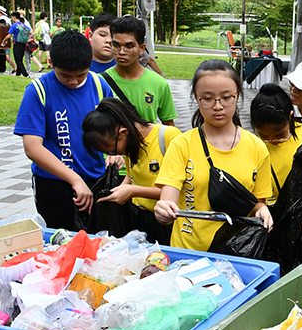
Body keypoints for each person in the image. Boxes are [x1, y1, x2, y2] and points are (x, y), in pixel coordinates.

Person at [154, 60, 273, 251]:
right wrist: (163, 211)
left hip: (235, 251)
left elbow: (258, 203)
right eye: (208, 99)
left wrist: (263, 210)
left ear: (238, 96)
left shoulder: (257, 147)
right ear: (196, 97)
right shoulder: (182, 144)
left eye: (226, 97)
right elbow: (168, 201)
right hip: (189, 253)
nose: (218, 106)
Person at [14, 29, 114, 231]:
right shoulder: (38, 90)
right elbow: (33, 148)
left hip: (97, 179)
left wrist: (115, 153)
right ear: (51, 62)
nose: (74, 81)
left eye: (81, 75)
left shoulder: (98, 83)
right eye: (66, 75)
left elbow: (114, 125)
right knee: (60, 244)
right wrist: (74, 179)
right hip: (54, 184)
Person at [81, 98, 180, 244]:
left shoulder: (168, 138)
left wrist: (132, 191)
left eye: (112, 150)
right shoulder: (131, 143)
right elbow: (131, 175)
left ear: (123, 133)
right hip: (142, 219)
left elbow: (180, 191)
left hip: (170, 221)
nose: (115, 154)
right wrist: (118, 191)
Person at [250, 83, 302, 206]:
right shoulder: (250, 144)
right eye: (264, 136)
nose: (273, 141)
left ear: (290, 116)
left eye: (280, 135)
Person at [103, 16, 176, 126]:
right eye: (116, 45)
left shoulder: (159, 83)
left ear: (141, 48)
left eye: (129, 46)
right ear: (110, 45)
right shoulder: (100, 82)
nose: (121, 52)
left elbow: (169, 127)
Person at [3, 12, 31, 77]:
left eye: (12, 17)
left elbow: (9, 35)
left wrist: (4, 40)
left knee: (18, 60)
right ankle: (18, 74)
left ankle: (26, 74)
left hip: (17, 43)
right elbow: (31, 33)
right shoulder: (23, 25)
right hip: (23, 44)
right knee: (20, 59)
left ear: (14, 17)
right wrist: (26, 38)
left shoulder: (14, 25)